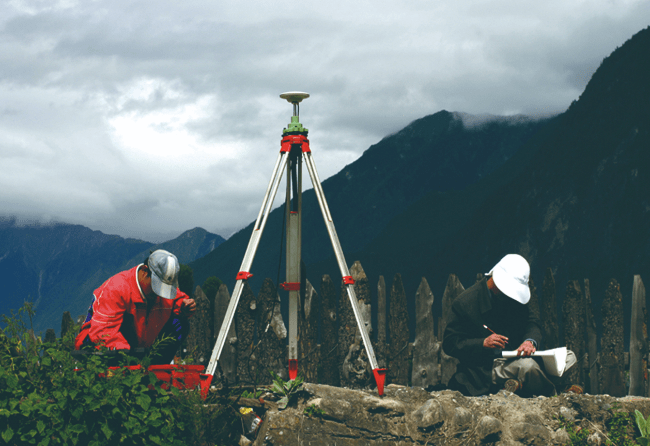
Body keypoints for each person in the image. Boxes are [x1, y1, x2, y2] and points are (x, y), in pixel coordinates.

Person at [442, 254, 576, 397]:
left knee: (569, 357)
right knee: (528, 367)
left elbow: (532, 322)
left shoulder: (511, 299)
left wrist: (529, 341)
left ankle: (522, 384)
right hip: (486, 367)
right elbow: (450, 344)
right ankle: (554, 391)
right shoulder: (464, 303)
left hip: (518, 355)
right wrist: (483, 343)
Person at [75, 249, 196, 364]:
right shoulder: (117, 288)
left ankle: (156, 369)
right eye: (157, 286)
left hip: (139, 348)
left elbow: (177, 300)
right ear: (144, 272)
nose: (158, 293)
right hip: (99, 346)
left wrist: (185, 307)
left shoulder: (161, 294)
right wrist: (128, 358)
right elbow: (102, 331)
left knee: (180, 323)